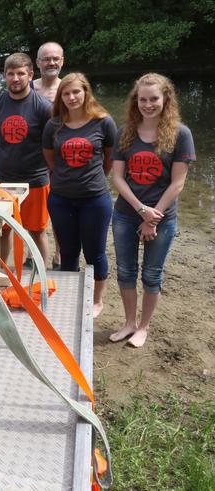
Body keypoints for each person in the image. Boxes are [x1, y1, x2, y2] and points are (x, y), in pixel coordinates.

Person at [108, 73, 196, 347]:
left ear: (165, 99)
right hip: (125, 213)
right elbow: (118, 178)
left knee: (151, 274)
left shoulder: (181, 134)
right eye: (143, 99)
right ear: (136, 101)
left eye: (154, 99)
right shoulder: (125, 132)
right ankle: (129, 323)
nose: (148, 104)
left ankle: (143, 327)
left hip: (162, 218)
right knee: (125, 270)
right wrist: (141, 209)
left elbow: (178, 182)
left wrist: (153, 216)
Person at [42, 73, 117, 318]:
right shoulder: (53, 125)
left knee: (94, 252)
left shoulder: (103, 122)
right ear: (60, 97)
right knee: (68, 251)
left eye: (76, 92)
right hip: (61, 198)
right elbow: (50, 159)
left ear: (86, 92)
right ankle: (69, 296)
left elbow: (109, 159)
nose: (72, 97)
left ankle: (96, 301)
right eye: (66, 93)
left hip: (94, 199)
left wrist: (90, 179)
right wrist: (67, 178)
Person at [0, 52, 52, 265]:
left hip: (35, 180)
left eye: (21, 73)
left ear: (31, 75)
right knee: (3, 230)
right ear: (4, 76)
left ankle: (42, 278)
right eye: (10, 74)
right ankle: (2, 271)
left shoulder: (43, 107)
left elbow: (50, 145)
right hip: (2, 179)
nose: (15, 78)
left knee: (37, 231)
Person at [33, 41, 65, 269]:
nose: (51, 63)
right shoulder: (28, 86)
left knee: (58, 209)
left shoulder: (69, 90)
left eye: (55, 59)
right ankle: (33, 252)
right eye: (46, 59)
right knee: (34, 212)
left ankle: (60, 254)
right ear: (37, 63)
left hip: (61, 160)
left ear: (62, 61)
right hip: (33, 159)